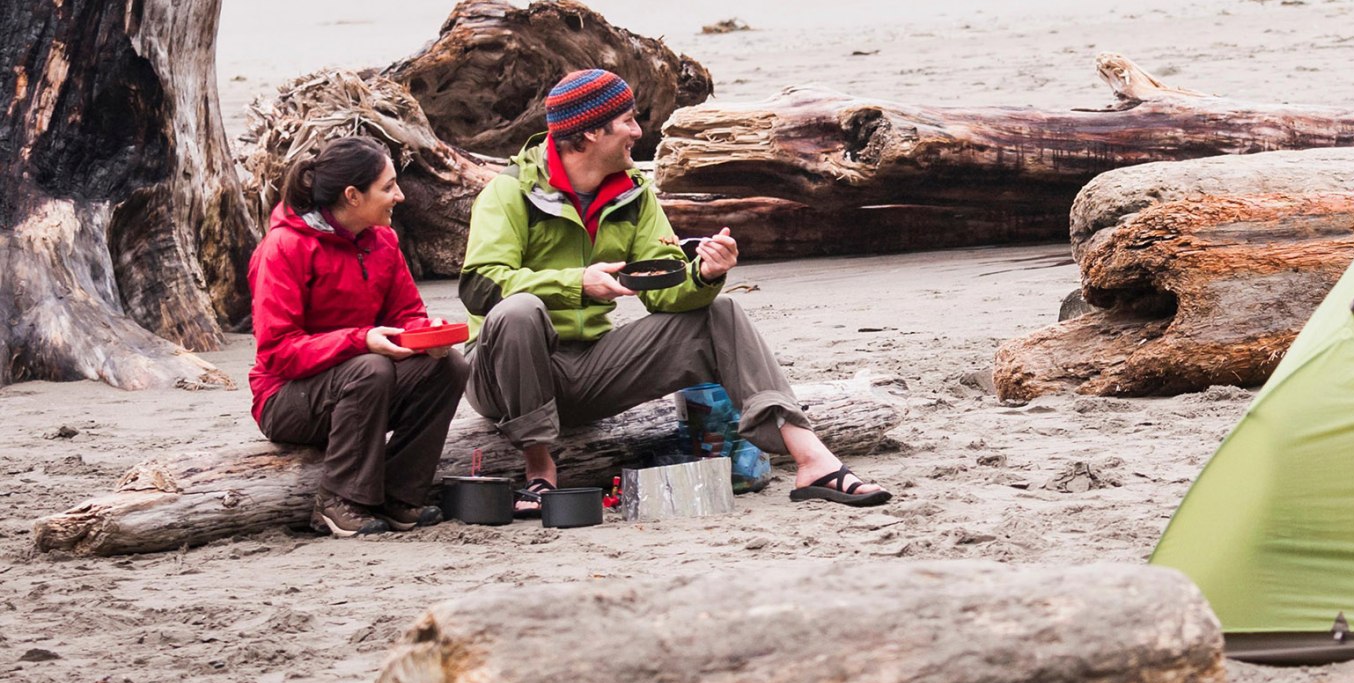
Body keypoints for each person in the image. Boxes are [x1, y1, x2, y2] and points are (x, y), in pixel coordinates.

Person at [459, 67, 888, 511]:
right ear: (587, 134)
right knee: (520, 311)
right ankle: (540, 468)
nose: (636, 131)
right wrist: (575, 284)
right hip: (501, 377)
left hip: (584, 370)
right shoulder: (508, 192)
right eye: (626, 121)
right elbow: (479, 287)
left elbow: (662, 285)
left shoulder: (633, 193)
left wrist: (702, 274)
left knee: (720, 313)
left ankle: (812, 459)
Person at [249, 137, 471, 537]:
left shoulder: (382, 240)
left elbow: (406, 315)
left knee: (448, 367)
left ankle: (399, 496)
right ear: (352, 195)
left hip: (360, 388)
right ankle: (337, 501)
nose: (399, 196)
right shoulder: (284, 248)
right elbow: (278, 352)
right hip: (285, 399)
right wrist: (361, 340)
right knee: (369, 368)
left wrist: (427, 337)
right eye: (387, 187)